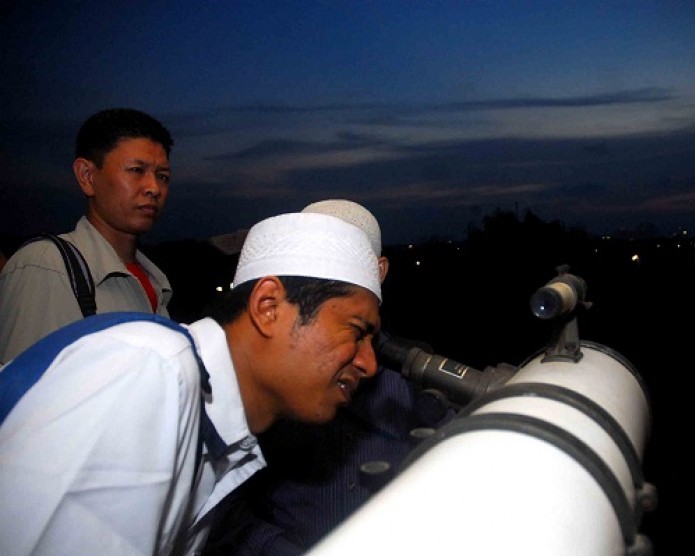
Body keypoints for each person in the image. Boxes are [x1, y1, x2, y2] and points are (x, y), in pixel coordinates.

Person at [0, 211, 383, 555]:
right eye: (356, 331)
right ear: (268, 307)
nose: (369, 363)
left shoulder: (217, 436)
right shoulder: (149, 370)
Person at [203, 200, 452, 555]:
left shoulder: (413, 374)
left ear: (378, 270)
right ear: (269, 304)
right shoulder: (175, 380)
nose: (363, 363)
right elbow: (229, 510)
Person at [0, 108, 174, 364]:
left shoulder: (155, 280)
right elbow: (23, 396)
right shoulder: (47, 265)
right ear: (87, 176)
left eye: (162, 176)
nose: (153, 188)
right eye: (137, 170)